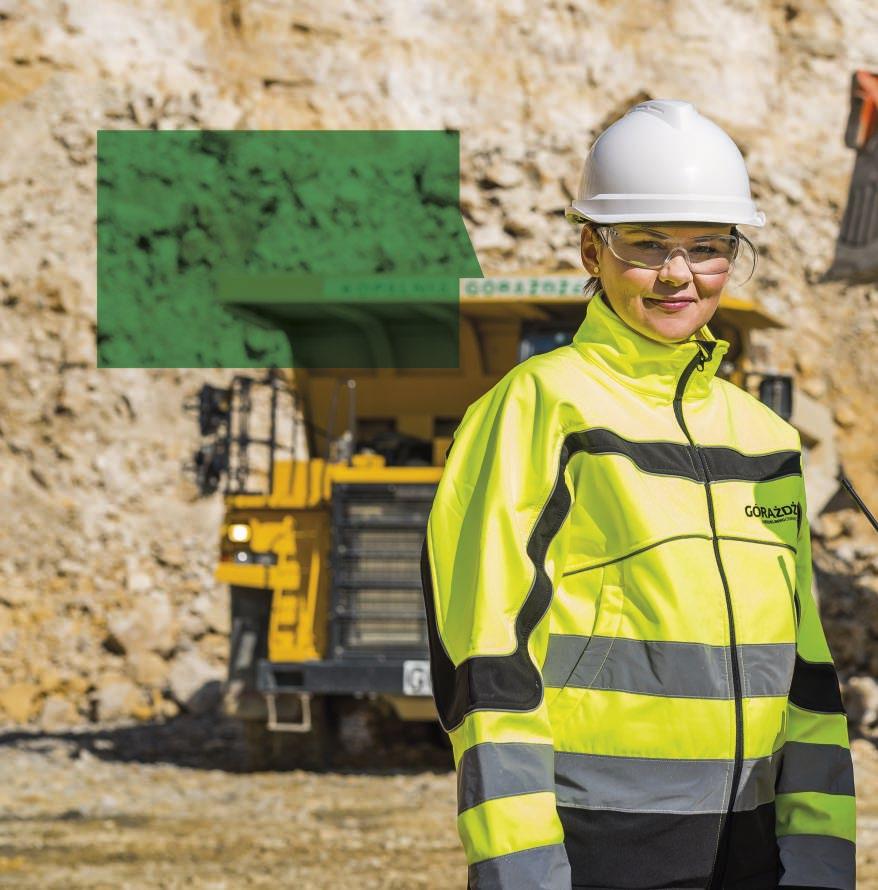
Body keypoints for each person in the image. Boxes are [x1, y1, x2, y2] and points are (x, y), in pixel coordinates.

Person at [420, 100, 855, 890]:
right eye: (646, 244)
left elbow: (807, 674)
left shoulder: (764, 437)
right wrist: (522, 872)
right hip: (599, 849)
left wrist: (822, 857)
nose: (678, 273)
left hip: (757, 849)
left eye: (707, 247)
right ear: (592, 248)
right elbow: (487, 668)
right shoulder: (536, 409)